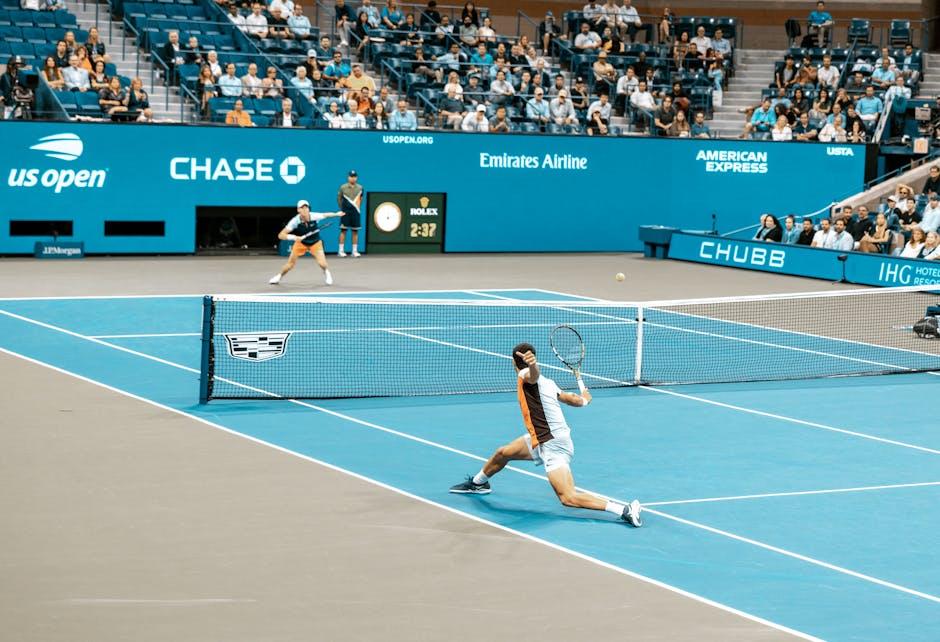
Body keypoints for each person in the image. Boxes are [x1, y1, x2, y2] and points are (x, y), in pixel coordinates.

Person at [448, 344, 643, 528]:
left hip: (553, 445)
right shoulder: (548, 383)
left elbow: (532, 376)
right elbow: (572, 399)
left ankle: (624, 509)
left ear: (513, 363)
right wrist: (584, 398)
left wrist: (533, 366)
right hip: (543, 439)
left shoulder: (526, 375)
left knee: (568, 498)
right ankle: (478, 483)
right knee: (503, 453)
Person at [269, 200, 343, 285]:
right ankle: (279, 276)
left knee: (322, 264)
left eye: (306, 207)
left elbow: (326, 215)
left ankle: (326, 272)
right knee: (290, 264)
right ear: (298, 210)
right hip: (301, 243)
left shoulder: (314, 216)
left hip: (315, 242)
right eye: (302, 208)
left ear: (308, 209)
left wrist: (337, 214)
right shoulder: (295, 221)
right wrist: (294, 237)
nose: (304, 209)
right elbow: (281, 235)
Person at [337, 170, 363, 258]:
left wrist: (356, 207)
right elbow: (339, 199)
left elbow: (361, 199)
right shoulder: (343, 187)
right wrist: (343, 209)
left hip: (356, 212)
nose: (353, 178)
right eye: (351, 176)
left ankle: (354, 251)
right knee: (343, 230)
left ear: (356, 177)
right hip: (345, 212)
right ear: (348, 177)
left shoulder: (360, 188)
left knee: (355, 231)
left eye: (354, 176)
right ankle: (341, 251)